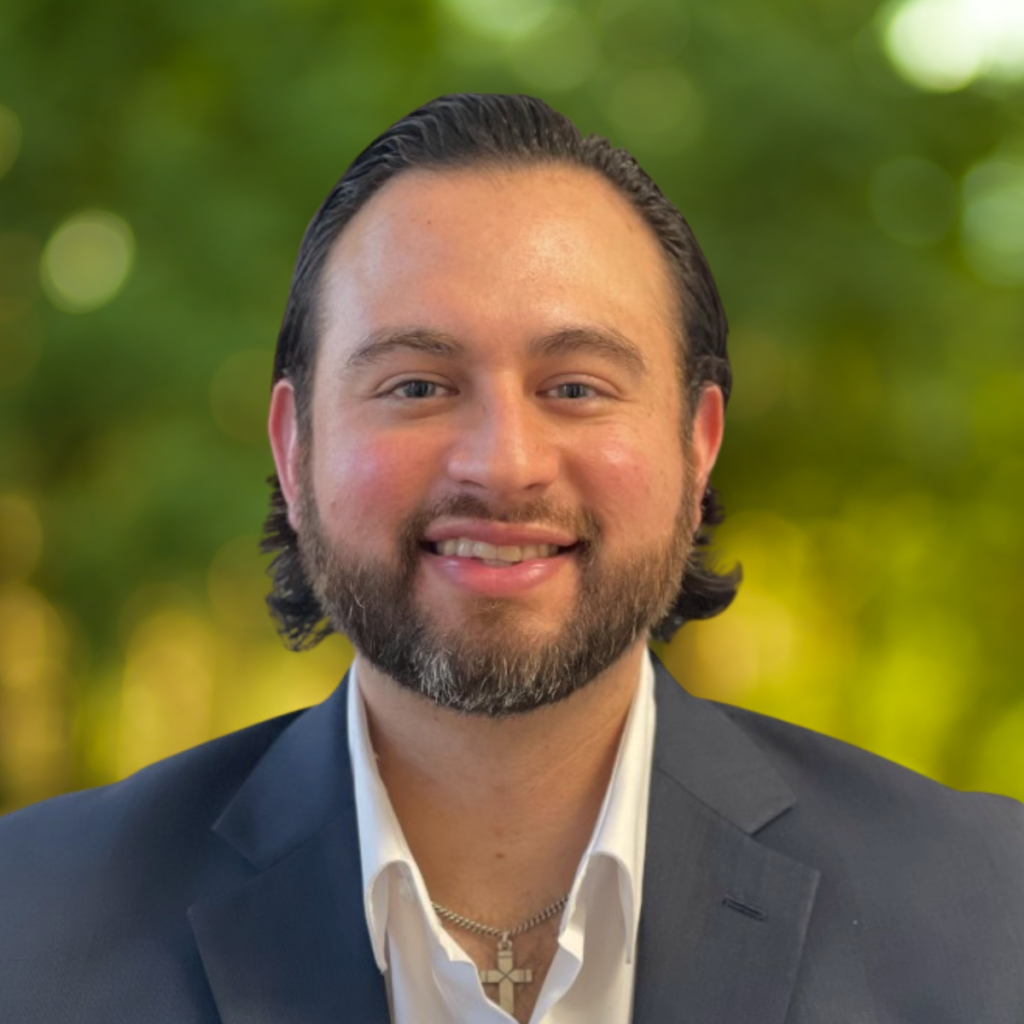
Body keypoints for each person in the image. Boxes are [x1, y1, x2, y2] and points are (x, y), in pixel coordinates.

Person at [1, 93, 1022, 1024]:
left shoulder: (989, 913)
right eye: (416, 386)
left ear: (697, 444)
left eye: (575, 387)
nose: (503, 464)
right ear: (294, 448)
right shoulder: (29, 925)